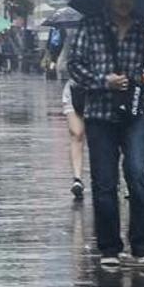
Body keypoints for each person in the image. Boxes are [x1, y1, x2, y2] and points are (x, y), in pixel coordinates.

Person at [68, 0, 144, 267]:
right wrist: (103, 81)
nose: (124, 2)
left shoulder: (143, 28)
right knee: (105, 182)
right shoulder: (90, 26)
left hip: (135, 112)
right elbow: (74, 66)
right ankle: (109, 247)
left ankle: (142, 246)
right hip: (100, 113)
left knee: (139, 175)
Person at [58, 29, 86, 200]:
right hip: (75, 90)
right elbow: (62, 64)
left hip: (103, 91)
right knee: (76, 133)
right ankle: (77, 178)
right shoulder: (72, 36)